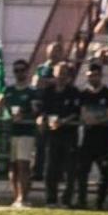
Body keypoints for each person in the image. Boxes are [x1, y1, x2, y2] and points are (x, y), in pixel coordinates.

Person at [0, 59, 40, 208]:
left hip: (26, 133)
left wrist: (24, 115)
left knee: (23, 165)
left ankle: (23, 197)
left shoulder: (32, 92)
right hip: (10, 133)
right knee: (13, 166)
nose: (19, 73)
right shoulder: (9, 90)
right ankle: (16, 197)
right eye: (16, 70)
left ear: (27, 71)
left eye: (22, 70)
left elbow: (37, 111)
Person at [38, 62, 80, 207]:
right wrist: (42, 119)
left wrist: (63, 121)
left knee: (70, 168)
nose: (61, 76)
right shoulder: (48, 92)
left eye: (64, 73)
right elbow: (42, 110)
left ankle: (67, 200)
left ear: (68, 76)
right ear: (54, 74)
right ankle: (51, 199)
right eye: (59, 72)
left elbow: (76, 113)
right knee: (51, 167)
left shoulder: (73, 92)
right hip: (52, 134)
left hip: (68, 134)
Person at [76, 63, 108, 209]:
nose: (93, 78)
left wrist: (96, 119)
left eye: (95, 75)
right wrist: (92, 118)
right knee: (82, 171)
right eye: (90, 75)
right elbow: (83, 114)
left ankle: (99, 202)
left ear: (101, 75)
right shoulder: (84, 94)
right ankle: (82, 201)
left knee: (105, 172)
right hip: (88, 139)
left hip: (103, 139)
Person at [31, 40, 64, 181]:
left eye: (57, 50)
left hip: (58, 107)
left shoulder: (64, 67)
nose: (54, 53)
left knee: (57, 144)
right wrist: (50, 81)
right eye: (52, 50)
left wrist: (47, 82)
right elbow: (35, 82)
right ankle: (38, 171)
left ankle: (58, 172)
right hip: (42, 107)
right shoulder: (42, 67)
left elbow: (61, 82)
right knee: (41, 142)